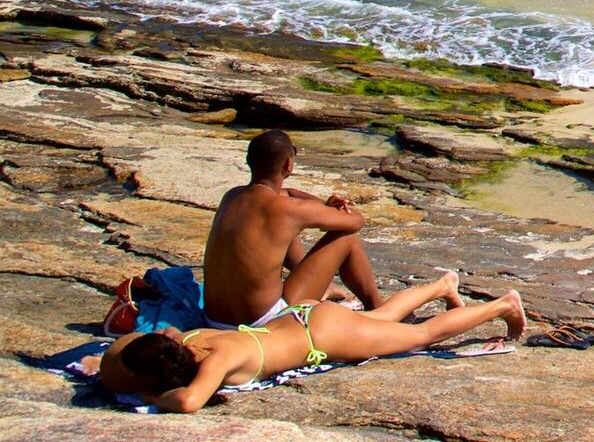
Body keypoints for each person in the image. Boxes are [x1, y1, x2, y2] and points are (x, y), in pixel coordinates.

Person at [104, 274, 525, 413]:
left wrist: (150, 394)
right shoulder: (192, 339)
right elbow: (164, 336)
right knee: (378, 320)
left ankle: (502, 305)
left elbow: (191, 401)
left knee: (422, 335)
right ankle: (442, 285)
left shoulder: (217, 361)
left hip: (320, 335)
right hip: (303, 317)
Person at [202, 130, 382, 329]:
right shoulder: (289, 210)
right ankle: (377, 308)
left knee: (282, 231)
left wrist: (323, 204)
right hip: (263, 322)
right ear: (289, 164)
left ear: (249, 161)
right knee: (346, 239)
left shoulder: (231, 196)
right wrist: (333, 208)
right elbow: (355, 222)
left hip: (214, 319)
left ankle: (320, 287)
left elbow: (286, 194)